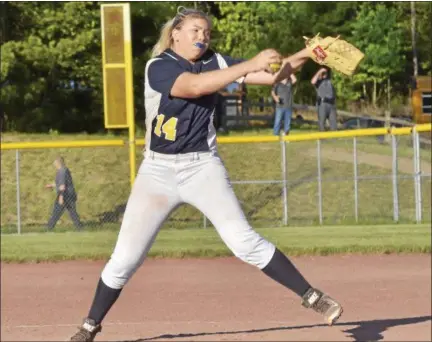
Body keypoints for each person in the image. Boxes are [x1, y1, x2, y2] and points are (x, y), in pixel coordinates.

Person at [69, 7, 342, 341]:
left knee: (244, 242)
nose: (202, 37)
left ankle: (311, 296)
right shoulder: (160, 65)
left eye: (207, 32)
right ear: (176, 35)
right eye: (196, 30)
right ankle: (90, 324)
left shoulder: (217, 61)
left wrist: (305, 54)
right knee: (125, 259)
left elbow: (272, 75)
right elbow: (194, 87)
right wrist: (250, 64)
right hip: (158, 172)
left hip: (202, 167)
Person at [46, 156, 82, 231]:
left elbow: (62, 186)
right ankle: (80, 229)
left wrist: (61, 197)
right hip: (70, 194)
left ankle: (48, 229)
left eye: (55, 163)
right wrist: (52, 185)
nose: (54, 164)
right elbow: (61, 183)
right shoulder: (64, 170)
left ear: (58, 163)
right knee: (73, 213)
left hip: (65, 195)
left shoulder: (61, 171)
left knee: (56, 212)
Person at [311, 67, 337, 131]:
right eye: (323, 73)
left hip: (331, 104)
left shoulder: (330, 81)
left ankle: (334, 139)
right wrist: (320, 71)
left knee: (334, 124)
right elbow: (312, 81)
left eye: (325, 73)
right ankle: (322, 139)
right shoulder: (318, 82)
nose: (324, 74)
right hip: (323, 104)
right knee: (322, 123)